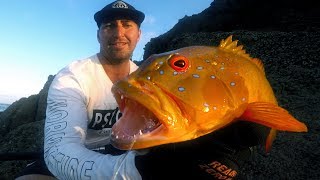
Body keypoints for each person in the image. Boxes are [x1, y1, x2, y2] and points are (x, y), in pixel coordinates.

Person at [15, 1, 269, 179]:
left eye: (127, 25)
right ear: (98, 34)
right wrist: (137, 172)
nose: (118, 32)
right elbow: (59, 154)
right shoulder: (72, 78)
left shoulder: (146, 73)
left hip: (137, 153)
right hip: (94, 158)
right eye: (109, 26)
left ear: (139, 35)